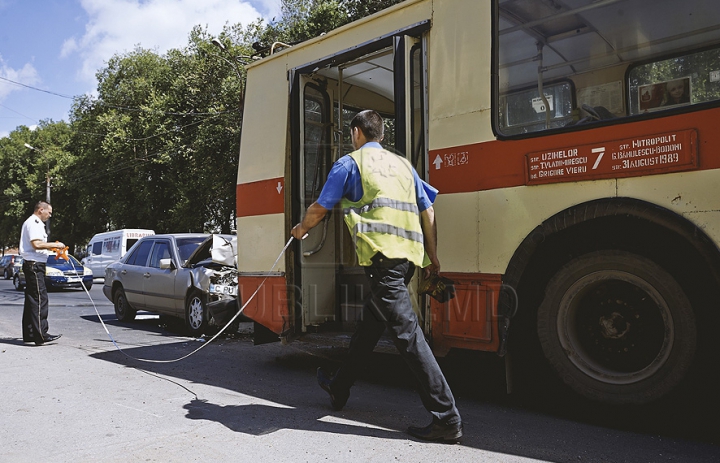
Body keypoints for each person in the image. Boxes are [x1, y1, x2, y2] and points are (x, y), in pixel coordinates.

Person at [291, 110, 463, 443]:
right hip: (407, 261)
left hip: (383, 261)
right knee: (371, 325)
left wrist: (301, 229)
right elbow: (428, 210)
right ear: (380, 135)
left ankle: (447, 417)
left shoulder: (350, 164)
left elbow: (320, 208)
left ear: (356, 132)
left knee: (408, 336)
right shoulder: (403, 166)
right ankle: (339, 387)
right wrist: (432, 257)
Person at [20, 201, 64, 346]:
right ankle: (41, 334)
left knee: (32, 300)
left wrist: (52, 249)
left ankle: (30, 333)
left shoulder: (34, 222)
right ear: (41, 210)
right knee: (40, 299)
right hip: (34, 265)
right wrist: (55, 245)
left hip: (33, 264)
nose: (49, 215)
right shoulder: (34, 223)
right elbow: (36, 244)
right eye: (49, 212)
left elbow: (38, 246)